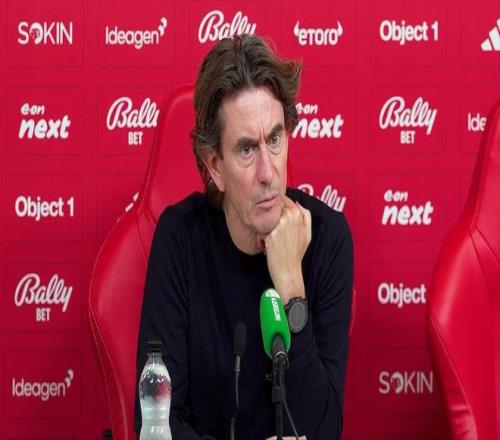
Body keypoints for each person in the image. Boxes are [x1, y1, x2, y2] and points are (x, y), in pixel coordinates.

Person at [134, 34, 353, 440]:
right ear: (215, 166)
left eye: (275, 139)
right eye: (247, 150)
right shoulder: (180, 239)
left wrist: (292, 289)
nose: (268, 173)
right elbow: (158, 425)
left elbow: (324, 431)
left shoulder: (327, 239)